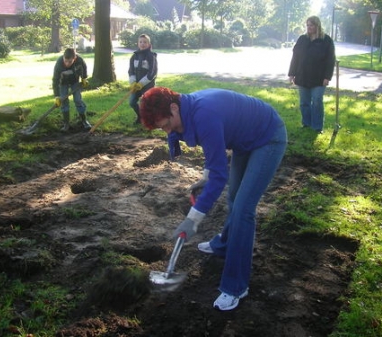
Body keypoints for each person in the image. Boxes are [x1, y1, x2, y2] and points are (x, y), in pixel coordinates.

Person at [140, 87, 287, 311]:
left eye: (167, 125)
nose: (168, 131)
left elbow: (220, 175)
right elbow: (213, 155)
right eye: (163, 129)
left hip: (268, 137)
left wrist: (193, 219)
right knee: (233, 198)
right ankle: (224, 244)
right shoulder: (184, 111)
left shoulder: (204, 114)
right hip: (244, 140)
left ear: (173, 107)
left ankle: (236, 287)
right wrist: (205, 178)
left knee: (243, 211)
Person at [288, 16, 336, 134]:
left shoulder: (326, 40)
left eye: (311, 25)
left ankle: (317, 126)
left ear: (317, 26)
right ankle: (306, 123)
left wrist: (327, 77)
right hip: (303, 75)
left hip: (319, 78)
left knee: (317, 101)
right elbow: (295, 57)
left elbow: (331, 60)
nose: (309, 27)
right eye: (308, 25)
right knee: (304, 102)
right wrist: (292, 73)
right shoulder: (302, 39)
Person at [52, 48, 91, 131]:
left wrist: (84, 78)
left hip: (74, 81)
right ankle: (66, 124)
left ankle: (84, 121)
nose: (67, 64)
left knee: (77, 100)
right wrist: (57, 96)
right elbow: (55, 80)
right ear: (63, 57)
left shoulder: (79, 60)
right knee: (64, 101)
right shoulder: (59, 63)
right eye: (65, 61)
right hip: (63, 83)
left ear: (75, 58)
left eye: (70, 62)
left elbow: (84, 68)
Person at [128, 34, 158, 124]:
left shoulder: (151, 56)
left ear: (149, 44)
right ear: (138, 44)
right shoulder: (134, 56)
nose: (142, 44)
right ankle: (140, 117)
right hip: (136, 86)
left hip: (147, 85)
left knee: (147, 104)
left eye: (145, 42)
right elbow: (131, 71)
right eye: (140, 42)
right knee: (132, 102)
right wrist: (133, 82)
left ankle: (150, 120)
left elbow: (152, 73)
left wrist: (141, 83)